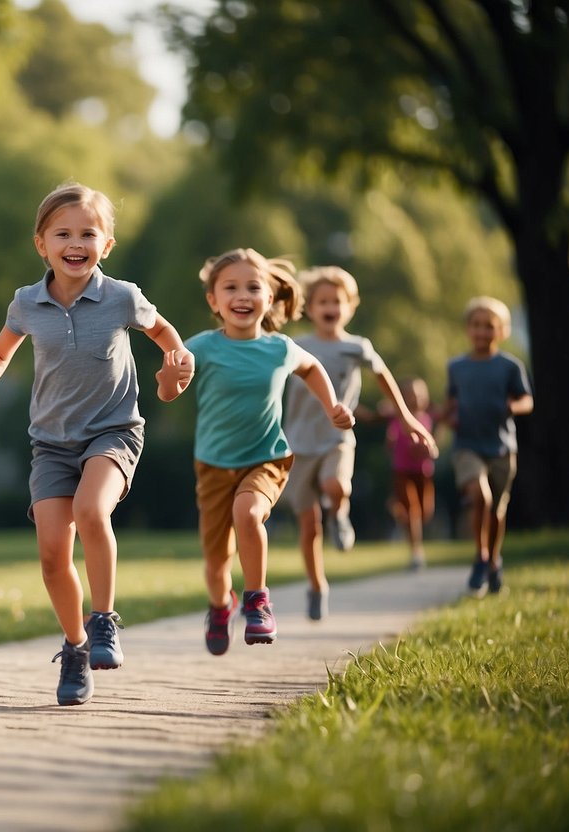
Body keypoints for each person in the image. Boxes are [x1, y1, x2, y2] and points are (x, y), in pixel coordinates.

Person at [0, 183, 194, 706]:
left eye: (87, 233)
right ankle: (76, 647)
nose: (75, 243)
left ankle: (104, 621)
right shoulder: (26, 303)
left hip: (113, 431)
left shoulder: (122, 296)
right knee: (53, 555)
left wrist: (176, 364)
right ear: (41, 244)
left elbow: (165, 332)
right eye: (63, 233)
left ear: (107, 244)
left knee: (91, 511)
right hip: (51, 443)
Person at [181, 248, 354, 657]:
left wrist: (331, 407)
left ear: (271, 298)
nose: (243, 296)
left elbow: (311, 368)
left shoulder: (280, 348)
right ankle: (222, 605)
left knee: (249, 513)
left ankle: (257, 599)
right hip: (212, 466)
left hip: (267, 459)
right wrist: (170, 380)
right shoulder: (202, 347)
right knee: (215, 562)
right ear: (213, 301)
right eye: (231, 288)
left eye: (253, 287)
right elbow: (171, 390)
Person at [282, 266, 437, 620]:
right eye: (322, 300)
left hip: (337, 437)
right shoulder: (297, 346)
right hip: (298, 444)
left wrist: (407, 418)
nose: (330, 306)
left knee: (336, 484)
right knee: (308, 526)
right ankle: (317, 583)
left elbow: (384, 377)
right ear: (309, 307)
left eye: (337, 300)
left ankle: (340, 513)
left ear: (350, 307)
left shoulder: (357, 347)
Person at [443, 296, 533, 596]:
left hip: (502, 447)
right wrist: (442, 418)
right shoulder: (456, 366)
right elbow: (452, 402)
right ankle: (481, 556)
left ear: (502, 331)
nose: (482, 332)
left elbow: (526, 400)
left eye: (489, 326)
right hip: (467, 444)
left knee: (496, 509)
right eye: (477, 326)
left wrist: (512, 406)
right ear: (468, 329)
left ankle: (494, 560)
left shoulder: (509, 366)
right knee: (478, 494)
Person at [387, 377, 437, 571]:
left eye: (418, 395)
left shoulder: (427, 418)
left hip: (423, 472)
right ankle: (416, 553)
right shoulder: (398, 418)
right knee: (413, 510)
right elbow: (390, 437)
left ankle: (398, 510)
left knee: (425, 512)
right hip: (402, 471)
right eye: (410, 395)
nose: (414, 399)